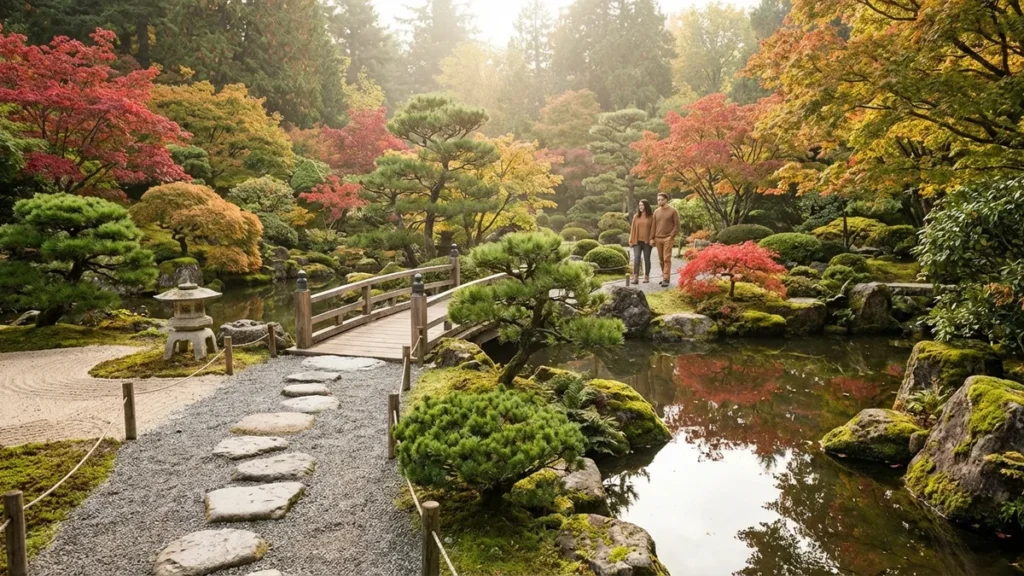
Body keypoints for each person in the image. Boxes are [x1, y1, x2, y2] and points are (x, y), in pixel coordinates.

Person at [652, 192, 680, 287]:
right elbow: (653, 226)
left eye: (661, 199)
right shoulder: (656, 212)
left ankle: (666, 279)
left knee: (666, 259)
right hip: (658, 238)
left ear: (666, 200)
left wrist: (671, 236)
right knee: (661, 260)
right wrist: (652, 238)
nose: (659, 201)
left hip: (668, 238)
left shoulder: (673, 211)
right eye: (658, 200)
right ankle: (664, 276)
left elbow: (677, 225)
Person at [628, 199, 655, 283]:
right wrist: (631, 239)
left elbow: (653, 229)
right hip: (637, 241)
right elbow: (632, 229)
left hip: (647, 242)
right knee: (636, 258)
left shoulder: (651, 216)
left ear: (646, 206)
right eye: (639, 205)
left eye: (642, 205)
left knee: (647, 259)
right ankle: (635, 277)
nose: (640, 207)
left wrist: (652, 239)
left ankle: (646, 276)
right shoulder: (636, 216)